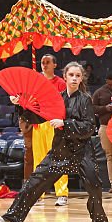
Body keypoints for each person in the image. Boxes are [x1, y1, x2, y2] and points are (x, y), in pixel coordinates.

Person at [0, 62, 112, 222]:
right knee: (33, 183)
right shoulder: (57, 98)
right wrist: (20, 105)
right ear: (65, 77)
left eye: (78, 75)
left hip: (82, 151)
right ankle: (9, 220)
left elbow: (90, 127)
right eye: (71, 75)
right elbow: (36, 117)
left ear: (82, 78)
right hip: (60, 150)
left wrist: (65, 123)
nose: (75, 78)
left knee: (95, 187)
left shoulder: (85, 100)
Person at [16, 54, 69, 205]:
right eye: (42, 62)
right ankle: (38, 192)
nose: (44, 65)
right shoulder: (34, 82)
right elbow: (27, 102)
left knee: (58, 158)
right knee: (39, 161)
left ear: (55, 65)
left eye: (47, 62)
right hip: (38, 124)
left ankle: (62, 193)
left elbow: (64, 102)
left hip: (53, 123)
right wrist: (18, 100)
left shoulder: (60, 83)